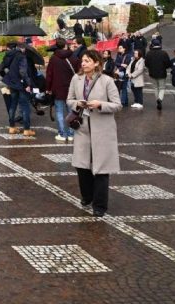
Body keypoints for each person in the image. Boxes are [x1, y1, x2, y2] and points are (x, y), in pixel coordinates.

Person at [67, 49, 122, 217]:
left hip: (102, 129)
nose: (83, 63)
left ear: (96, 63)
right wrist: (78, 104)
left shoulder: (107, 81)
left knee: (101, 168)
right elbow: (69, 100)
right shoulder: (76, 79)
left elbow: (117, 105)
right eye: (82, 60)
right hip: (82, 128)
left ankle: (100, 205)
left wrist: (100, 104)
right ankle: (87, 196)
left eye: (87, 61)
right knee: (82, 166)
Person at [46, 38, 79, 141]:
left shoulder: (53, 58)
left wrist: (48, 88)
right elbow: (79, 73)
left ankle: (62, 134)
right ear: (65, 45)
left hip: (57, 89)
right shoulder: (73, 57)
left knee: (59, 112)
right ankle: (71, 134)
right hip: (71, 89)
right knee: (71, 112)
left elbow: (49, 75)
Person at [2, 42, 35, 137]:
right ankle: (27, 129)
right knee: (25, 106)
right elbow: (23, 72)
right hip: (21, 85)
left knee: (13, 105)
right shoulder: (22, 57)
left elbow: (3, 67)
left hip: (12, 83)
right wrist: (27, 84)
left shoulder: (11, 55)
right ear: (24, 49)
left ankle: (12, 127)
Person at [145, 38, 172, 110]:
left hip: (152, 73)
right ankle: (160, 99)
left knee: (155, 88)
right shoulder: (164, 53)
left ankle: (158, 100)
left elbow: (146, 64)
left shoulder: (149, 53)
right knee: (162, 87)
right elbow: (168, 64)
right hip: (162, 73)